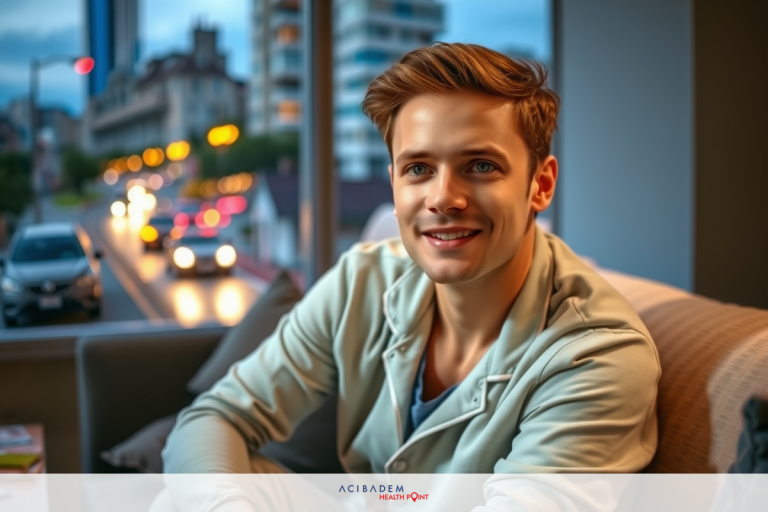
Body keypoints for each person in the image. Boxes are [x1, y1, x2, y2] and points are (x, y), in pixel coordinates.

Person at [161, 42, 660, 507]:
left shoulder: (597, 358)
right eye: (418, 168)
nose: (443, 198)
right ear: (394, 183)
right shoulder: (362, 279)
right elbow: (215, 417)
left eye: (481, 166)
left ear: (540, 185)